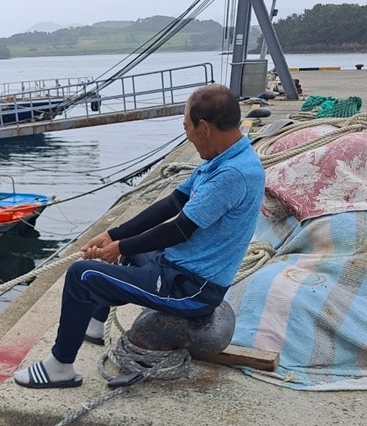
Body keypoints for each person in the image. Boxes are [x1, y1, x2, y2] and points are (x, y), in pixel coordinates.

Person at [14, 84, 265, 388]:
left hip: (192, 288)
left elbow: (179, 227)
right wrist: (112, 235)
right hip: (177, 267)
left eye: (186, 127)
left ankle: (60, 368)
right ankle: (94, 325)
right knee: (129, 252)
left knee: (82, 275)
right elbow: (172, 203)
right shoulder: (221, 159)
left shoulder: (233, 174)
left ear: (204, 127)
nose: (187, 134)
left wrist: (118, 246)